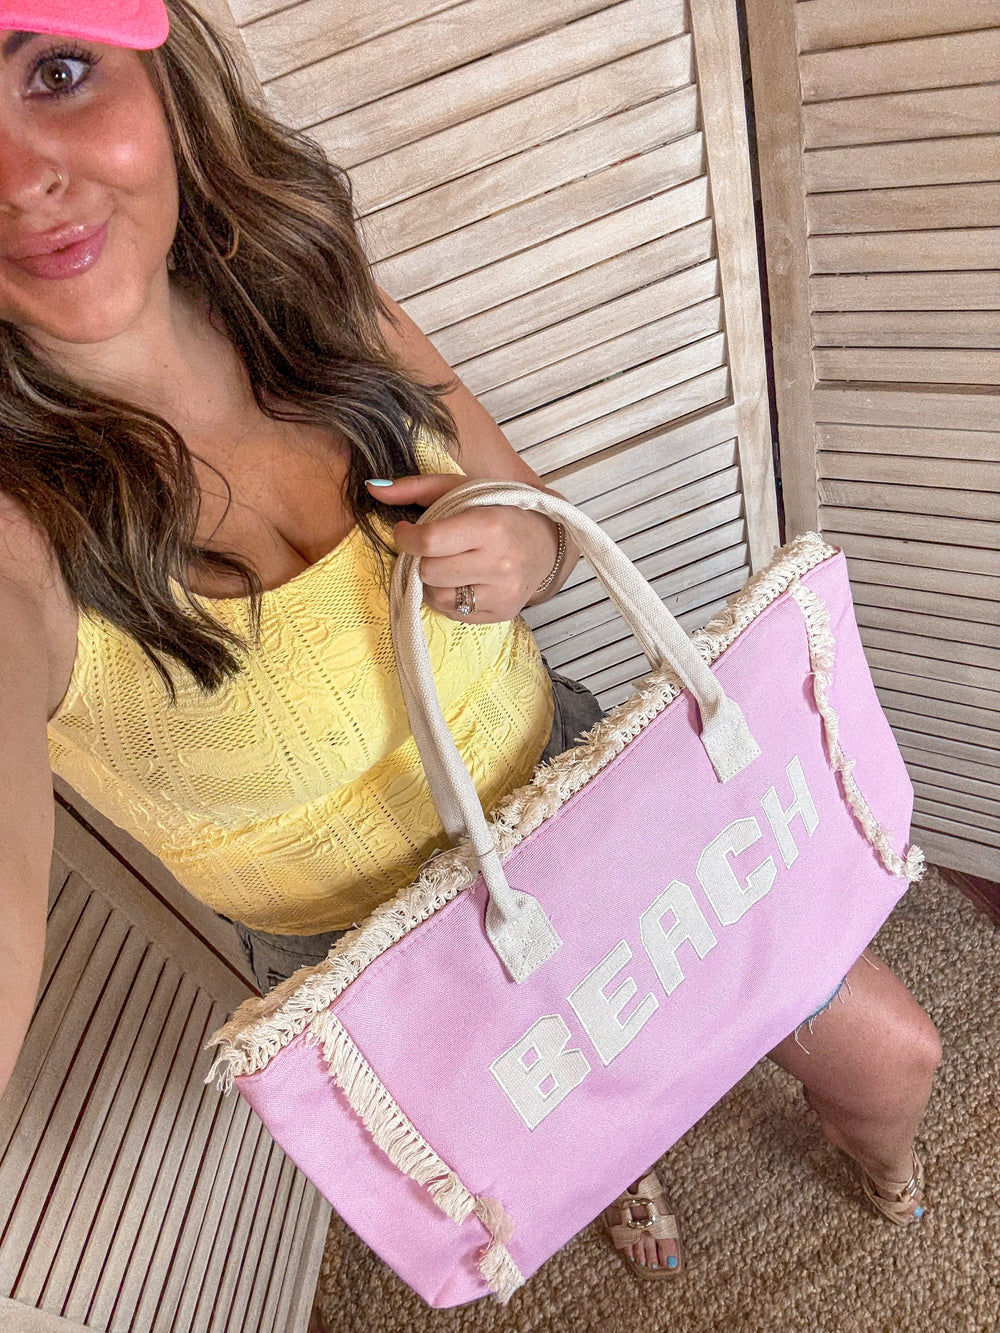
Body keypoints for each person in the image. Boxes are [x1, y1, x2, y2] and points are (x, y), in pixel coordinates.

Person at [0, 0, 939, 1289]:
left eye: (57, 72)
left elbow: (538, 520)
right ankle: (622, 1162)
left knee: (894, 1055)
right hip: (391, 960)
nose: (20, 180)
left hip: (582, 794)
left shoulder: (307, 286)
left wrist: (522, 551)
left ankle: (886, 1168)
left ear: (165, 78)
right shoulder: (19, 541)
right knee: (581, 1135)